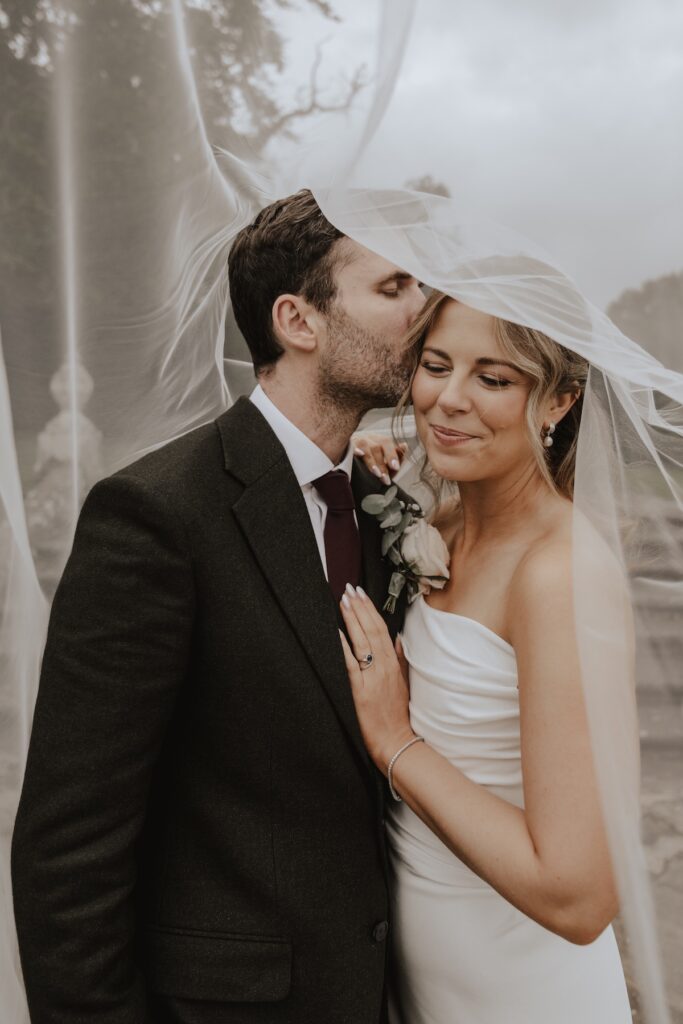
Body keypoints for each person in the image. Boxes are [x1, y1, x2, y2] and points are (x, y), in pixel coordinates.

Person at [10, 188, 425, 1024]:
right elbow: (70, 845)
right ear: (298, 321)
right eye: (393, 287)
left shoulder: (383, 503)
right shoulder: (156, 515)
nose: (424, 308)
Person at [341, 291, 633, 1023]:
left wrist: (396, 742)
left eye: (493, 378)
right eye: (437, 366)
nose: (449, 399)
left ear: (559, 400)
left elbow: (578, 898)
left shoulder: (558, 574)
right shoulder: (435, 527)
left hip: (525, 995)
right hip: (423, 986)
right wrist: (363, 472)